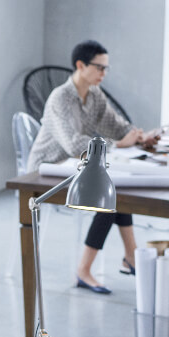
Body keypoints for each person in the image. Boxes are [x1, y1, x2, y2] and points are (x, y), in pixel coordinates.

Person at [27, 39, 160, 294]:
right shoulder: (60, 98)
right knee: (107, 197)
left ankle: (128, 256)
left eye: (106, 68)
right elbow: (74, 145)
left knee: (116, 192)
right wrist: (118, 145)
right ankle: (87, 270)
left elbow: (116, 125)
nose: (104, 73)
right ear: (80, 65)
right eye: (100, 67)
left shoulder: (94, 94)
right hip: (47, 172)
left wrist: (139, 136)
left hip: (77, 167)